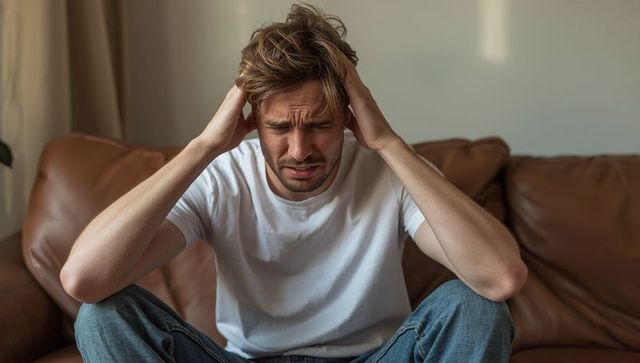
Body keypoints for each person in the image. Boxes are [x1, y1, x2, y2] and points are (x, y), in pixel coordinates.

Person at [61, 4, 528, 363]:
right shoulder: (221, 176)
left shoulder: (391, 171)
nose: (301, 150)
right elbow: (85, 280)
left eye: (321, 126)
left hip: (374, 357)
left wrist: (386, 140)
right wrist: (204, 146)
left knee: (477, 307)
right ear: (253, 122)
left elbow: (500, 278)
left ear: (349, 114)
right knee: (103, 315)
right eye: (280, 128)